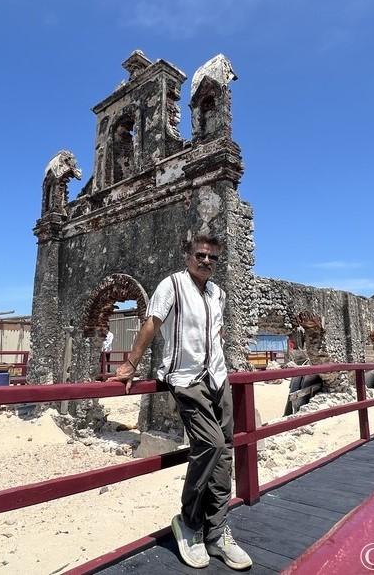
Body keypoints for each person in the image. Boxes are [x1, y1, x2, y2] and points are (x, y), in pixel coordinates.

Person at [106, 234, 252, 570]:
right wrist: (131, 363)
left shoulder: (218, 293)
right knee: (212, 444)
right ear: (187, 255)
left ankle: (216, 531)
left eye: (212, 257)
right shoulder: (171, 285)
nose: (206, 261)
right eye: (200, 255)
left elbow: (215, 332)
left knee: (225, 450)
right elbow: (152, 323)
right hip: (185, 378)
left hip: (217, 377)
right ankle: (189, 523)